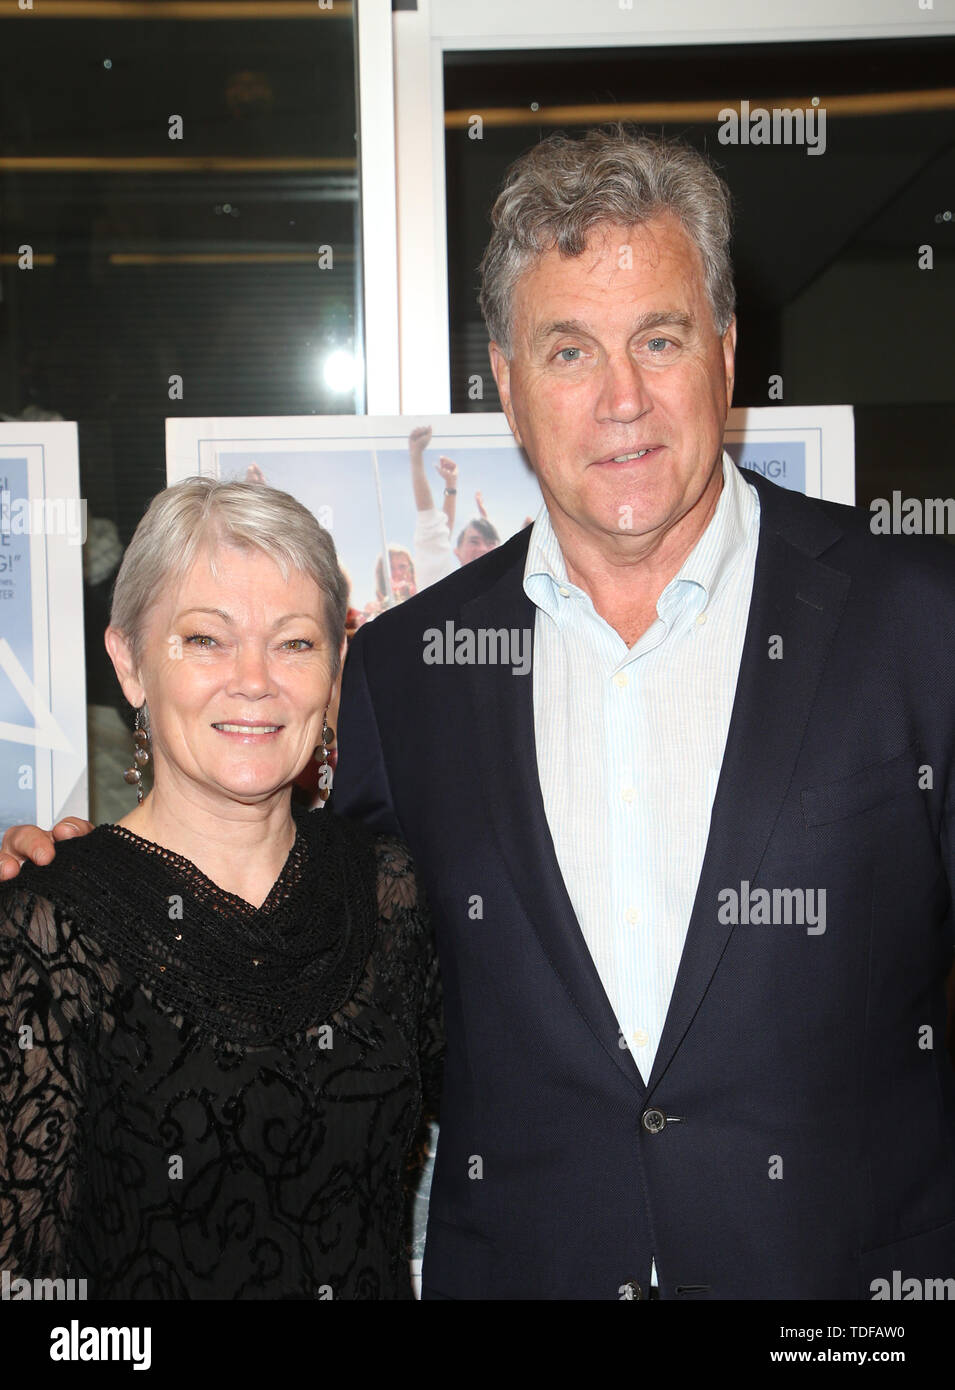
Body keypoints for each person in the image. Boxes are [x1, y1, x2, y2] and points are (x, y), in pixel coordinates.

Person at [5, 126, 955, 1301]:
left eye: (657, 339)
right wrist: (86, 879)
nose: (621, 398)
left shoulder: (916, 618)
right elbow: (295, 918)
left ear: (723, 351)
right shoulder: (409, 670)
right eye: (568, 351)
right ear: (506, 384)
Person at [0, 478, 441, 1300]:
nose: (254, 680)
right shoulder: (46, 927)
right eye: (205, 640)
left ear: (334, 670)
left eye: (294, 643)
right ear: (130, 663)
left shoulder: (390, 892)